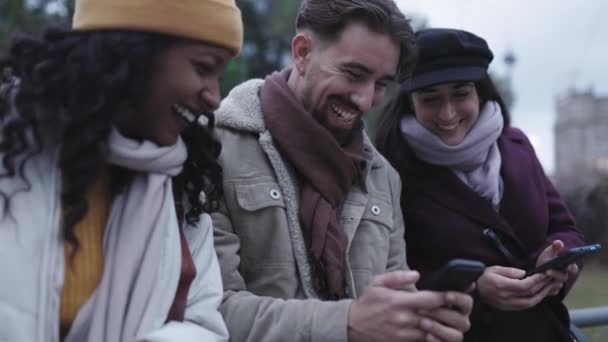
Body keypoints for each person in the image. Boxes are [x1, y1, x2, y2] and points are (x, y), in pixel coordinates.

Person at [210, 1, 474, 341]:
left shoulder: (383, 177)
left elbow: (396, 300)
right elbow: (212, 310)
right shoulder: (214, 148)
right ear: (302, 53)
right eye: (354, 74)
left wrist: (421, 322)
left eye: (381, 84)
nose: (365, 101)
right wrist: (345, 323)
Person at [0, 0, 242, 341]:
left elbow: (204, 324)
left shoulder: (180, 185)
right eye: (204, 68)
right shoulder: (12, 152)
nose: (215, 97)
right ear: (135, 52)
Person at [375, 28, 586, 342]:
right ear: (409, 103)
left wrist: (556, 261)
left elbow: (566, 230)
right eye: (430, 99)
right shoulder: (389, 170)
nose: (447, 113)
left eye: (460, 94)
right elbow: (384, 277)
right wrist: (475, 287)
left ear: (481, 92)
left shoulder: (517, 146)